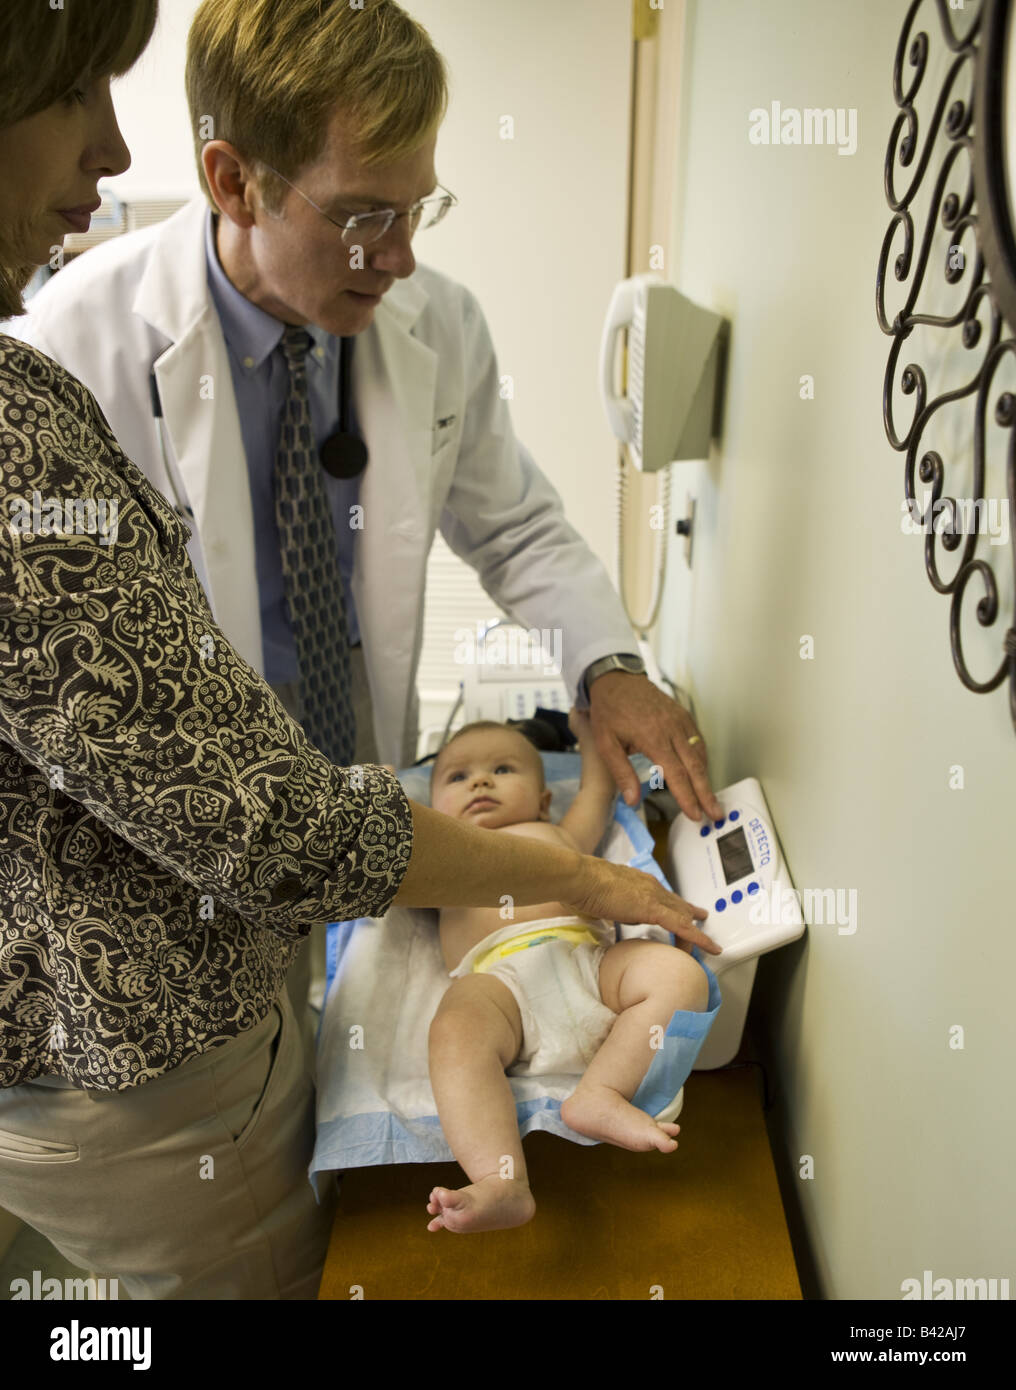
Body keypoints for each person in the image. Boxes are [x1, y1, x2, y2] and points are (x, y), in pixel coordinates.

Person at [0, 0, 721, 1299]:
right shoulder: (75, 351)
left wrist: (610, 666)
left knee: (315, 1105)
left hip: (356, 820)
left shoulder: (434, 322)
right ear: (232, 178)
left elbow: (520, 522)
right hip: (182, 891)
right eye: (358, 212)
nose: (393, 255)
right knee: (254, 1196)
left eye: (415, 207)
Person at [425, 713, 710, 1233]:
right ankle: (500, 1179)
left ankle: (601, 1093)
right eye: (457, 777)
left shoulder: (558, 832)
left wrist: (590, 729)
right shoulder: (439, 859)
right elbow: (368, 881)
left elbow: (599, 789)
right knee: (453, 1032)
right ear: (430, 812)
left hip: (588, 960)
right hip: (498, 982)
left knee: (680, 975)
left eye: (503, 768)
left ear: (543, 799)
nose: (481, 781)